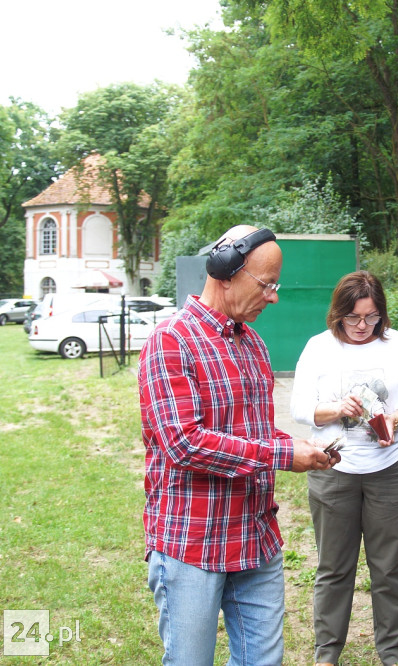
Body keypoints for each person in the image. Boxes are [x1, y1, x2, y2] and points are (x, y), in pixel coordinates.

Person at [139, 225, 339, 665]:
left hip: (255, 539)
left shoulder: (255, 347)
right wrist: (285, 455)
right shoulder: (170, 341)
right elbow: (185, 444)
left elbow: (256, 433)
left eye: (276, 286)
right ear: (225, 271)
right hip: (192, 543)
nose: (274, 297)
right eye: (267, 285)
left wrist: (304, 446)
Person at [291, 270, 398, 666]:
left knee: (389, 569)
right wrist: (338, 408)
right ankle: (327, 654)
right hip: (333, 468)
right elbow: (300, 408)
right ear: (338, 314)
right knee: (334, 568)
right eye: (353, 318)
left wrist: (396, 420)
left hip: (392, 470)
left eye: (371, 317)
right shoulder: (319, 348)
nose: (361, 326)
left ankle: (392, 654)